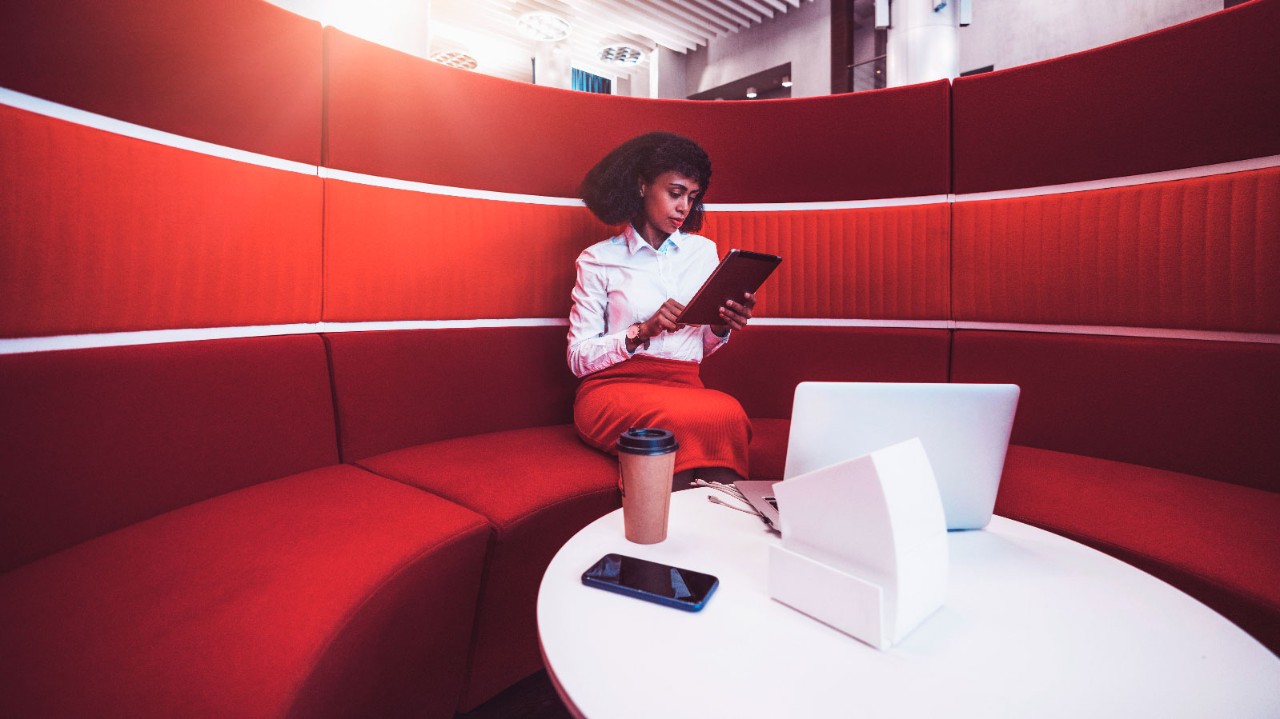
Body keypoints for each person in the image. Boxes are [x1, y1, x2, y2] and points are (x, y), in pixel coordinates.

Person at [567, 132, 755, 489]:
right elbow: (577, 359)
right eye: (675, 193)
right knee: (670, 421)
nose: (685, 206)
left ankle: (718, 533)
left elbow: (702, 346)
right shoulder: (598, 259)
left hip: (685, 385)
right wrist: (642, 331)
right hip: (612, 387)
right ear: (642, 186)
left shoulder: (702, 252)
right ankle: (654, 534)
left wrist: (720, 326)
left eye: (693, 196)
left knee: (729, 413)